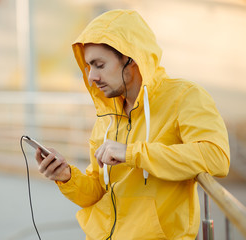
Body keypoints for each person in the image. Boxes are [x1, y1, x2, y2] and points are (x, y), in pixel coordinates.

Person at [35, 9, 230, 240]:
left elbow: (217, 156)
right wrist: (66, 176)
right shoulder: (108, 115)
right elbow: (96, 192)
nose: (91, 78)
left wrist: (132, 153)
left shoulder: (185, 96)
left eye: (99, 65)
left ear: (131, 60)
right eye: (88, 67)